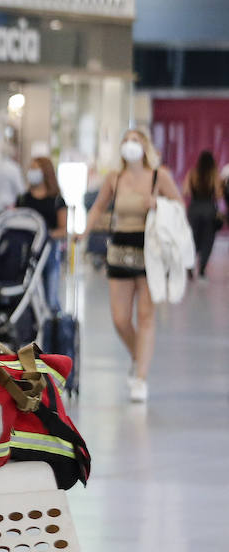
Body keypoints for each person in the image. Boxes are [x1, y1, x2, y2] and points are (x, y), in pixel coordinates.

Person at [88, 128, 182, 403]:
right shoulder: (114, 178)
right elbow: (98, 207)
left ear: (145, 147)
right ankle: (138, 356)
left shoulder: (158, 176)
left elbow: (179, 207)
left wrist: (159, 204)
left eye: (136, 141)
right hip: (119, 251)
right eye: (126, 141)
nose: (130, 146)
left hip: (150, 251)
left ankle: (140, 378)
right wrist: (84, 232)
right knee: (120, 318)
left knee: (146, 316)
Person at [16, 155, 68, 309]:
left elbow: (63, 230)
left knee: (50, 297)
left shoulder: (57, 200)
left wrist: (46, 234)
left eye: (35, 168)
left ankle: (54, 327)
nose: (31, 172)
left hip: (48, 251)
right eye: (30, 168)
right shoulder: (23, 199)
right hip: (26, 251)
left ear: (45, 172)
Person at [182, 150, 222, 278]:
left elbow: (186, 191)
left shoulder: (192, 174)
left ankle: (190, 265)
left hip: (194, 209)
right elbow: (218, 194)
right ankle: (202, 268)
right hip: (209, 210)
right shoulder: (214, 175)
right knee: (207, 239)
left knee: (192, 238)